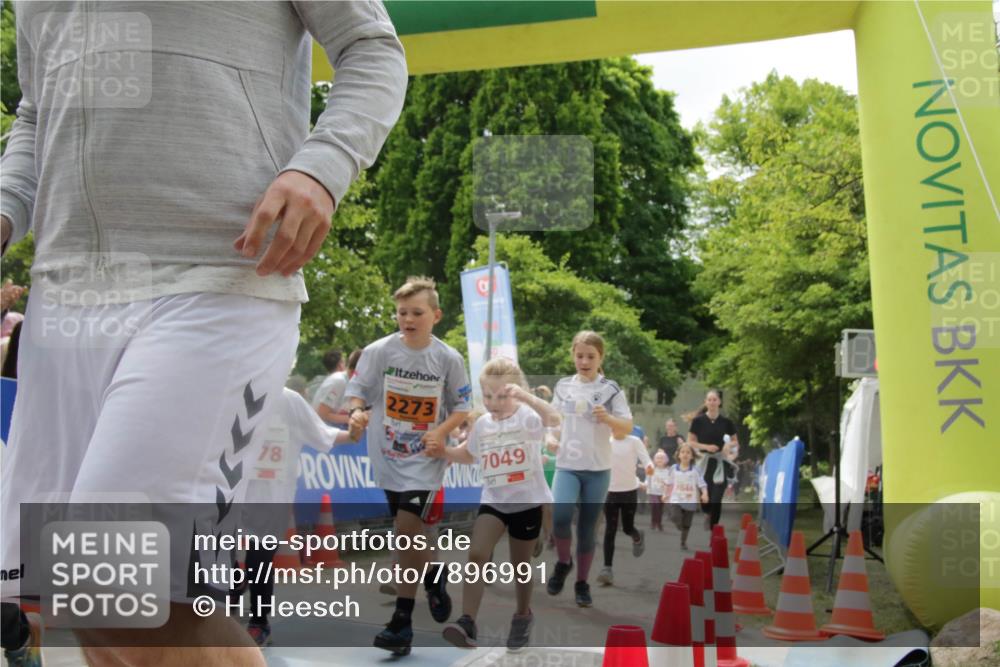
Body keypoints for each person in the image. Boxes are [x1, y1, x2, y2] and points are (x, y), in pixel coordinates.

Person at [0, 4, 407, 666]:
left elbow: (373, 48)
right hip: (67, 297)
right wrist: (6, 204)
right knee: (95, 612)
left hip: (219, 274)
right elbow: (35, 109)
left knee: (114, 584)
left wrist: (323, 165)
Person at [346, 276, 472, 657]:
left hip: (424, 460)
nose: (408, 319)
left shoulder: (448, 358)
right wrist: (356, 414)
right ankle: (434, 576)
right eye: (402, 312)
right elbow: (357, 393)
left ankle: (401, 622)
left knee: (405, 529)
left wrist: (442, 431)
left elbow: (464, 408)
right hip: (387, 454)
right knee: (414, 532)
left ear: (435, 315)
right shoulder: (379, 351)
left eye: (417, 312)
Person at [436, 358, 558, 651]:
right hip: (494, 501)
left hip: (526, 503)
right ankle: (467, 622)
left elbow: (554, 419)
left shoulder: (527, 416)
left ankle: (522, 615)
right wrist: (443, 451)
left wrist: (525, 396)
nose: (493, 402)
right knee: (477, 553)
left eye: (501, 395)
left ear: (514, 392)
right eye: (487, 396)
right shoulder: (482, 424)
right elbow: (469, 454)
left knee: (520, 567)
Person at [237, 387, 358, 646]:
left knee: (260, 559)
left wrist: (353, 435)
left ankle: (259, 622)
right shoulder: (229, 390)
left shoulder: (288, 399)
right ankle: (232, 593)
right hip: (231, 488)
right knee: (217, 552)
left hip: (271, 493)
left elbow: (322, 433)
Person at [546, 331, 633, 607]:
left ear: (600, 358)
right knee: (559, 517)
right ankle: (563, 562)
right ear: (573, 355)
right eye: (579, 355)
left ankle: (582, 583)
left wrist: (608, 418)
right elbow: (553, 421)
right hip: (568, 466)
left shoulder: (611, 389)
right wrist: (551, 437)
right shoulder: (562, 386)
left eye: (590, 357)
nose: (584, 361)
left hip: (597, 469)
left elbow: (627, 426)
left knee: (586, 530)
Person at [596, 430, 653, 587]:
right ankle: (607, 569)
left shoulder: (634, 441)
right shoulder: (605, 441)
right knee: (610, 529)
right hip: (610, 492)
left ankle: (637, 536)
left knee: (627, 528)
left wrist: (649, 467)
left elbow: (646, 459)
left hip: (629, 491)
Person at [687, 390, 739, 530]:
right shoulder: (698, 421)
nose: (712, 402)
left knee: (716, 500)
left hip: (720, 463)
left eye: (714, 399)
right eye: (709, 400)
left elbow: (735, 442)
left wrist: (728, 445)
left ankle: (714, 530)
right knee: (706, 499)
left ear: (719, 402)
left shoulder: (727, 422)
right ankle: (707, 513)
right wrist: (706, 447)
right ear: (706, 402)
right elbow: (690, 442)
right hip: (704, 463)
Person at [663, 443, 709, 550]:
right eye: (682, 452)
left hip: (690, 501)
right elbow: (668, 483)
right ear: (678, 455)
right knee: (675, 517)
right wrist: (665, 494)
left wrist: (705, 494)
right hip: (676, 499)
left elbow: (702, 484)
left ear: (692, 456)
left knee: (687, 525)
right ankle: (679, 525)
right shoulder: (673, 469)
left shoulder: (695, 470)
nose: (685, 454)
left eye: (688, 452)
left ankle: (683, 542)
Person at [311, 349, 350, 425]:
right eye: (345, 362)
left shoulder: (333, 380)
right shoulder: (338, 381)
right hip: (325, 430)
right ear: (340, 364)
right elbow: (323, 414)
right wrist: (351, 418)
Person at [646, 451, 671, 531]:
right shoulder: (651, 469)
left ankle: (659, 523)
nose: (660, 460)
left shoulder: (668, 471)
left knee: (660, 508)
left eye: (662, 458)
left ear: (666, 460)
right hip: (653, 492)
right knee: (655, 505)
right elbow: (648, 479)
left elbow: (670, 482)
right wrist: (645, 485)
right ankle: (653, 522)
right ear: (654, 460)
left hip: (662, 493)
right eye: (658, 458)